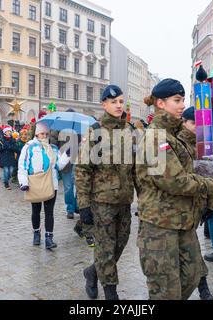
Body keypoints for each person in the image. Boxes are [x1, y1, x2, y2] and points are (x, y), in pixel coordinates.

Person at [135, 79, 213, 300]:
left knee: (192, 275)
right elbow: (175, 181)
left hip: (183, 222)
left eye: (182, 100)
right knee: (166, 289)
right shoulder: (155, 138)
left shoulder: (172, 135)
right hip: (159, 226)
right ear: (160, 103)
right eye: (176, 100)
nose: (181, 105)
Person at [76, 85, 135, 300]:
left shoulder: (129, 130)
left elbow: (136, 167)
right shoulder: (96, 131)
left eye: (120, 101)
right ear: (104, 105)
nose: (118, 105)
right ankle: (111, 293)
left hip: (124, 201)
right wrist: (83, 205)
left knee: (121, 243)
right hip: (102, 202)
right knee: (105, 247)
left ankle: (92, 271)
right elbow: (82, 169)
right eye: (113, 102)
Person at [176, 106, 213, 300]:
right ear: (184, 122)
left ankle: (203, 286)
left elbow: (210, 174)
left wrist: (211, 203)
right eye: (193, 123)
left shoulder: (204, 145)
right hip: (180, 210)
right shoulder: (178, 144)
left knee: (194, 251)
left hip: (197, 207)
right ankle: (202, 288)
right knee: (191, 253)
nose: (197, 127)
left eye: (200, 123)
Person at [18, 123, 69, 249]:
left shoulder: (53, 148)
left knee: (49, 212)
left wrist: (68, 154)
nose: (44, 136)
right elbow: (23, 165)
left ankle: (49, 238)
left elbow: (59, 165)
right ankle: (36, 233)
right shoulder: (29, 147)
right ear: (36, 134)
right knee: (36, 211)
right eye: (42, 134)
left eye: (46, 134)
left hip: (51, 184)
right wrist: (24, 182)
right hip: (35, 183)